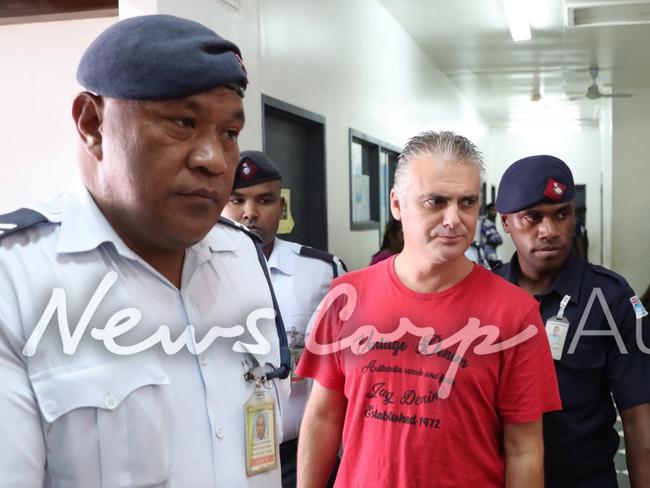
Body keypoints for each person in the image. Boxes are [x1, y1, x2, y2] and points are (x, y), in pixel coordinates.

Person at [0, 15, 290, 487]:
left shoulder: (241, 257)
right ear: (92, 124)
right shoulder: (16, 282)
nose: (214, 161)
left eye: (229, 134)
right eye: (183, 123)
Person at [296, 131, 561, 488]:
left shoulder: (515, 315)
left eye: (467, 202)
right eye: (435, 201)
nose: (454, 219)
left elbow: (523, 449)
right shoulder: (347, 297)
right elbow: (324, 416)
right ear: (396, 204)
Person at [494, 154, 650, 488]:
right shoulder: (483, 299)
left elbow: (639, 419)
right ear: (506, 222)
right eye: (532, 218)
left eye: (561, 214)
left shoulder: (612, 298)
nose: (548, 231)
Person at [222, 150, 346, 488]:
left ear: (282, 207)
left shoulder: (321, 271)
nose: (250, 213)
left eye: (265, 200)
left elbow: (347, 373)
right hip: (225, 459)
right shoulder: (192, 273)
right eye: (237, 201)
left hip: (300, 454)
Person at [480, 202, 503, 268]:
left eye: (495, 210)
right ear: (488, 211)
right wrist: (497, 239)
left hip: (492, 254)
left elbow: (499, 240)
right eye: (493, 210)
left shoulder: (492, 224)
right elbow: (495, 239)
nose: (495, 213)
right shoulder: (487, 224)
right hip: (488, 255)